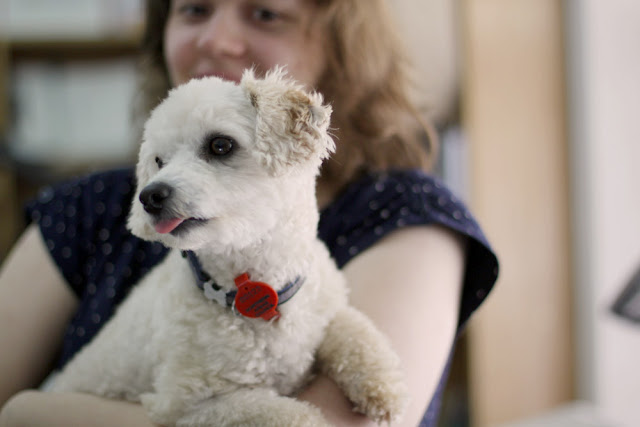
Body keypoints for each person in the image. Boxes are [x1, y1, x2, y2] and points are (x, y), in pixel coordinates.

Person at [0, 0, 499, 426]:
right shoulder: (88, 207)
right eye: (195, 9)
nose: (217, 40)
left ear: (341, 44)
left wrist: (36, 413)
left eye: (265, 13)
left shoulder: (408, 214)